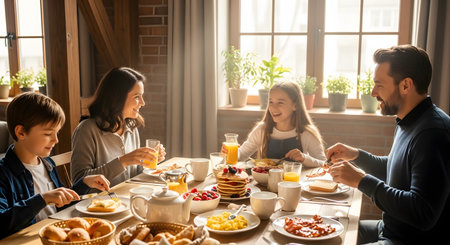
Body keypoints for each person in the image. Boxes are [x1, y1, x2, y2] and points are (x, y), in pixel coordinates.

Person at [326, 45, 450, 244]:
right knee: (325, 228)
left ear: (405, 85)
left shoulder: (432, 134)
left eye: (379, 85)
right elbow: (397, 171)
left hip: (404, 240)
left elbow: (422, 212)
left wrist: (361, 181)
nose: (373, 92)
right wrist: (356, 155)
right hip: (389, 229)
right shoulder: (409, 120)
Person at [0, 93, 110, 239]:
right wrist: (42, 199)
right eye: (48, 134)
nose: (56, 140)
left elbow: (60, 202)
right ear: (21, 132)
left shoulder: (47, 164)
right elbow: (2, 222)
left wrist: (84, 183)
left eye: (57, 133)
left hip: (57, 237)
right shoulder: (3, 173)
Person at [71, 67, 166, 187]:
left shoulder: (131, 128)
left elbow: (133, 177)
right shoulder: (86, 130)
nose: (143, 103)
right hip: (99, 203)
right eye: (137, 97)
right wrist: (123, 161)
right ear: (117, 98)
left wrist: (146, 161)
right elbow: (79, 182)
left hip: (125, 199)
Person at [222, 81, 326, 167]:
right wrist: (231, 153)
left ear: (295, 106)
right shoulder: (262, 129)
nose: (273, 107)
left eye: (280, 102)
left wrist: (304, 158)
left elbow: (324, 164)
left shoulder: (306, 133)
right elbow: (242, 155)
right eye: (271, 102)